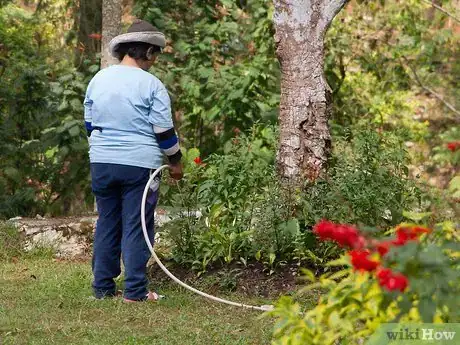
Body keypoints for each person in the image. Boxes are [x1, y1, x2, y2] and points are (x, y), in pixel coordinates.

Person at [84, 20, 183, 302]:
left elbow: (89, 124)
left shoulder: (98, 79)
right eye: (156, 54)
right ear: (149, 51)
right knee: (137, 224)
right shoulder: (152, 84)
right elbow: (163, 131)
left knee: (107, 221)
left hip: (101, 162)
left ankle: (102, 289)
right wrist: (176, 161)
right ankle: (136, 292)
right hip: (140, 165)